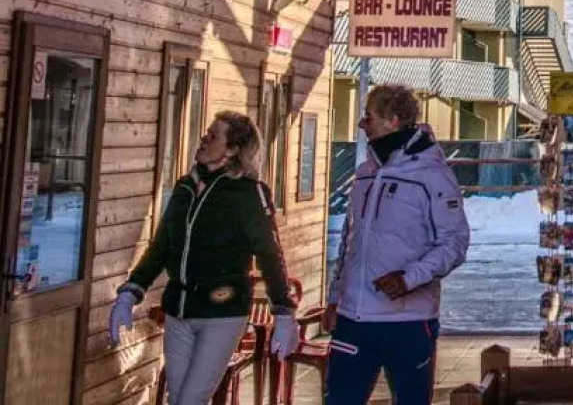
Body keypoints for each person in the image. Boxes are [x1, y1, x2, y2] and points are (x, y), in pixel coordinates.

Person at [109, 112, 298, 405]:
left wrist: (284, 312)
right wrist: (131, 292)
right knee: (178, 400)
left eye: (213, 136)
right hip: (179, 311)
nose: (204, 139)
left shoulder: (248, 194)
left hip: (222, 313)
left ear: (233, 149)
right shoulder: (185, 188)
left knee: (190, 401)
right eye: (206, 133)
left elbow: (269, 254)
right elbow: (161, 247)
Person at [325, 84, 470, 405]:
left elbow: (455, 243)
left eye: (369, 116)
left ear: (392, 120)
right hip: (353, 320)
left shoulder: (432, 176)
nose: (363, 124)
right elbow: (350, 240)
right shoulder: (365, 173)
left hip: (408, 323)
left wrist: (409, 278)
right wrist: (336, 296)